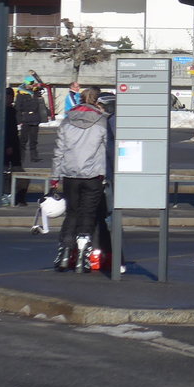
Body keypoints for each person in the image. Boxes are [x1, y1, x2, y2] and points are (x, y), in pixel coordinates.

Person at [52, 87, 113, 273]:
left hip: (70, 174)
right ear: (96, 101)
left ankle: (63, 254)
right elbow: (106, 150)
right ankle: (81, 257)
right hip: (93, 175)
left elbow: (59, 151)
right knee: (88, 214)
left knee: (72, 213)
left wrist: (55, 177)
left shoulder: (67, 120)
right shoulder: (102, 121)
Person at [14, 76, 48, 163]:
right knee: (23, 140)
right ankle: (20, 157)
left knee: (34, 140)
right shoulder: (21, 94)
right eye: (30, 83)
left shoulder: (35, 92)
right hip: (25, 119)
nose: (32, 85)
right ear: (26, 83)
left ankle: (34, 157)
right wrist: (19, 121)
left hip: (35, 119)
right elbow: (17, 108)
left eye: (33, 83)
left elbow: (41, 88)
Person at [4, 87, 28, 206]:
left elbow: (11, 130)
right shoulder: (8, 111)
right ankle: (15, 197)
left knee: (12, 173)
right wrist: (9, 145)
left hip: (11, 146)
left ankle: (13, 196)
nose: (10, 99)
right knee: (14, 173)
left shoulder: (10, 110)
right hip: (9, 146)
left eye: (11, 96)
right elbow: (9, 130)